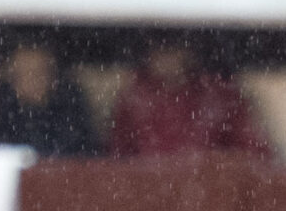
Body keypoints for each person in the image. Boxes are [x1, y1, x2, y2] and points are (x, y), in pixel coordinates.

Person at [110, 42, 270, 157]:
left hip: (207, 196)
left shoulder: (221, 98)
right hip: (149, 196)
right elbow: (115, 163)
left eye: (174, 45)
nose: (168, 56)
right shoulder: (134, 100)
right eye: (160, 46)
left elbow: (255, 157)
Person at [0, 40, 103, 156]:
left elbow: (81, 156)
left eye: (38, 73)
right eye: (22, 74)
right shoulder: (0, 110)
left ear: (52, 76)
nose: (31, 81)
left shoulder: (71, 111)